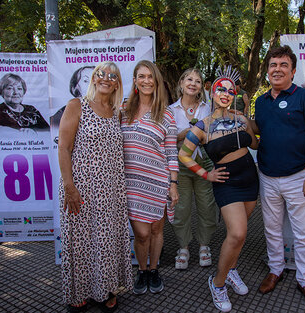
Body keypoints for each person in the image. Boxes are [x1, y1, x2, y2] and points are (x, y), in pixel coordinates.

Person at [250, 45, 305, 312]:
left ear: (293, 71)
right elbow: (262, 130)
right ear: (267, 71)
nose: (277, 69)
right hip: (267, 176)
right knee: (271, 229)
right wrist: (242, 118)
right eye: (273, 65)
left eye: (283, 65)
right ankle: (275, 270)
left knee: (303, 234)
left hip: (298, 177)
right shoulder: (261, 101)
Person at [179, 66, 259, 312]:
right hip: (226, 182)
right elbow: (184, 155)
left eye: (230, 90)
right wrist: (206, 173)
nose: (225, 93)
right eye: (220, 89)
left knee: (241, 235)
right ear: (212, 93)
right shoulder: (202, 125)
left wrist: (246, 121)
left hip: (249, 177)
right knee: (236, 234)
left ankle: (232, 269)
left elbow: (254, 144)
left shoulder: (240, 118)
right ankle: (218, 283)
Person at [58, 61, 132, 313]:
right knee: (80, 241)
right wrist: (69, 186)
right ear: (93, 78)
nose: (107, 78)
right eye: (102, 73)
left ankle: (104, 289)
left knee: (105, 241)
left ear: (117, 83)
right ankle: (79, 292)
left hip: (110, 189)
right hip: (80, 186)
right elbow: (64, 147)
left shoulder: (116, 112)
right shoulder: (76, 105)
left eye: (113, 76)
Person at [120, 60, 179, 295]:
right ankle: (141, 269)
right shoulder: (123, 110)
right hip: (131, 183)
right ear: (135, 80)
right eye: (141, 76)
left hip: (158, 181)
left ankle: (153, 270)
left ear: (156, 81)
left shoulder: (166, 115)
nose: (146, 81)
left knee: (156, 231)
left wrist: (173, 184)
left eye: (150, 76)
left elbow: (172, 152)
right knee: (141, 233)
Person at [169, 68, 218, 270]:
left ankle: (204, 245)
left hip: (204, 161)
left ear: (200, 87)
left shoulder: (208, 108)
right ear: (181, 83)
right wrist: (188, 133)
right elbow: (168, 139)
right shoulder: (170, 110)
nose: (193, 83)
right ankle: (184, 247)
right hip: (180, 163)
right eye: (189, 79)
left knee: (207, 206)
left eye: (197, 81)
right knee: (182, 208)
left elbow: (214, 133)